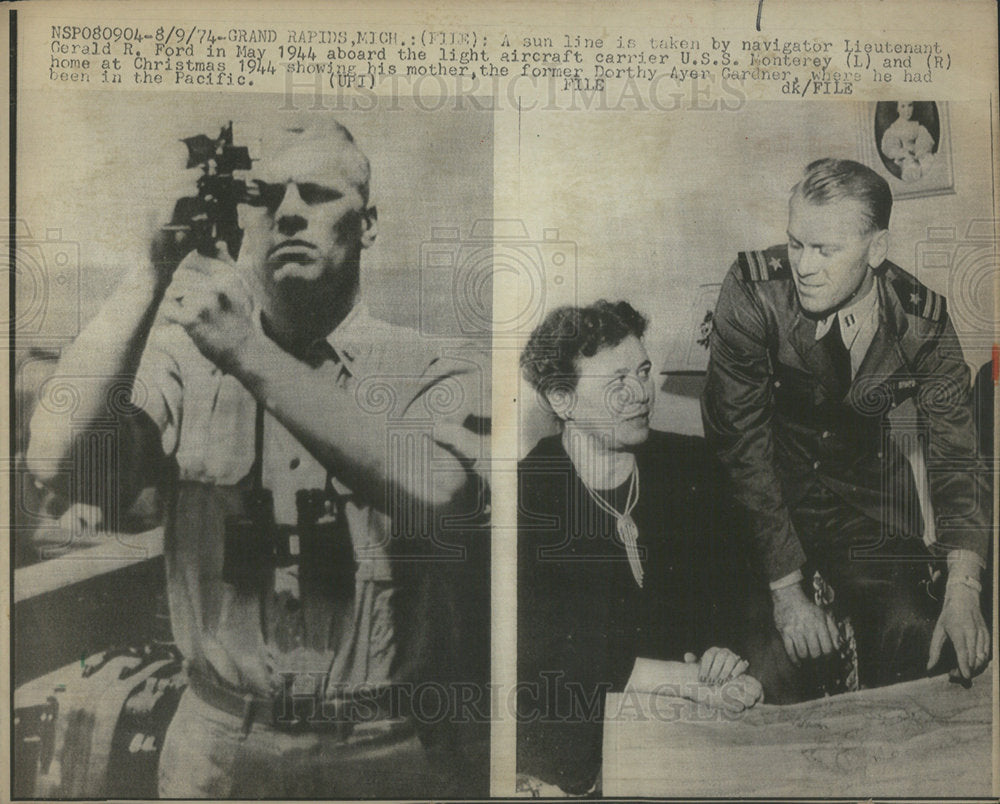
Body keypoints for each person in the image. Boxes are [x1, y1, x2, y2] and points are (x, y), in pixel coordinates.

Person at [26, 119, 489, 798]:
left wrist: (246, 352)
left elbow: (442, 493)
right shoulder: (187, 361)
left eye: (318, 194)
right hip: (218, 747)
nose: (290, 212)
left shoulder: (429, 364)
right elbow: (53, 457)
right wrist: (149, 271)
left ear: (368, 224)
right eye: (268, 197)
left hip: (385, 748)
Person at [701, 158, 991, 703]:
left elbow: (958, 456)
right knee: (765, 675)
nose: (803, 266)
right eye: (795, 244)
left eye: (825, 250)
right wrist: (787, 590)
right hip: (765, 506)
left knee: (921, 642)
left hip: (866, 510)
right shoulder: (752, 291)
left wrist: (964, 584)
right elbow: (741, 448)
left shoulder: (921, 319)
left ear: (876, 250)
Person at [517, 300, 763, 796]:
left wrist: (724, 646)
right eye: (616, 383)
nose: (641, 394)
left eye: (644, 372)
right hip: (585, 737)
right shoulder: (529, 497)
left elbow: (741, 588)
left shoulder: (691, 467)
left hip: (694, 719)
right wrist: (683, 679)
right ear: (562, 400)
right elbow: (551, 655)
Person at [879, 101, 935, 182]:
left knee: (930, 163)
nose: (907, 110)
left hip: (919, 156)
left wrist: (920, 152)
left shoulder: (917, 126)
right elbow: (891, 149)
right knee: (913, 170)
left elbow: (925, 142)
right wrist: (904, 154)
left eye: (910, 105)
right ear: (897, 109)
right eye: (903, 106)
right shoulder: (894, 128)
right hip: (905, 159)